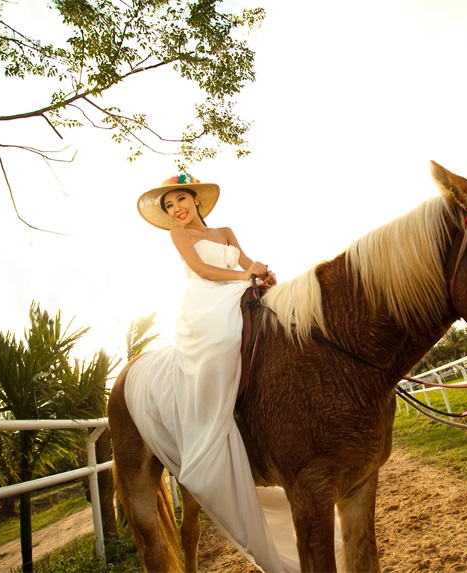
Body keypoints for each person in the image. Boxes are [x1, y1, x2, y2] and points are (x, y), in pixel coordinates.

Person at [124, 173, 295, 572]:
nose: (176, 209)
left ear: (196, 200)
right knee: (220, 339)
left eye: (180, 200)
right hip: (207, 302)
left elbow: (247, 260)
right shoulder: (179, 236)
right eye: (168, 207)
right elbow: (203, 271)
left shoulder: (225, 230)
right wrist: (244, 277)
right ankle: (215, 423)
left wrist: (261, 272)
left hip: (240, 286)